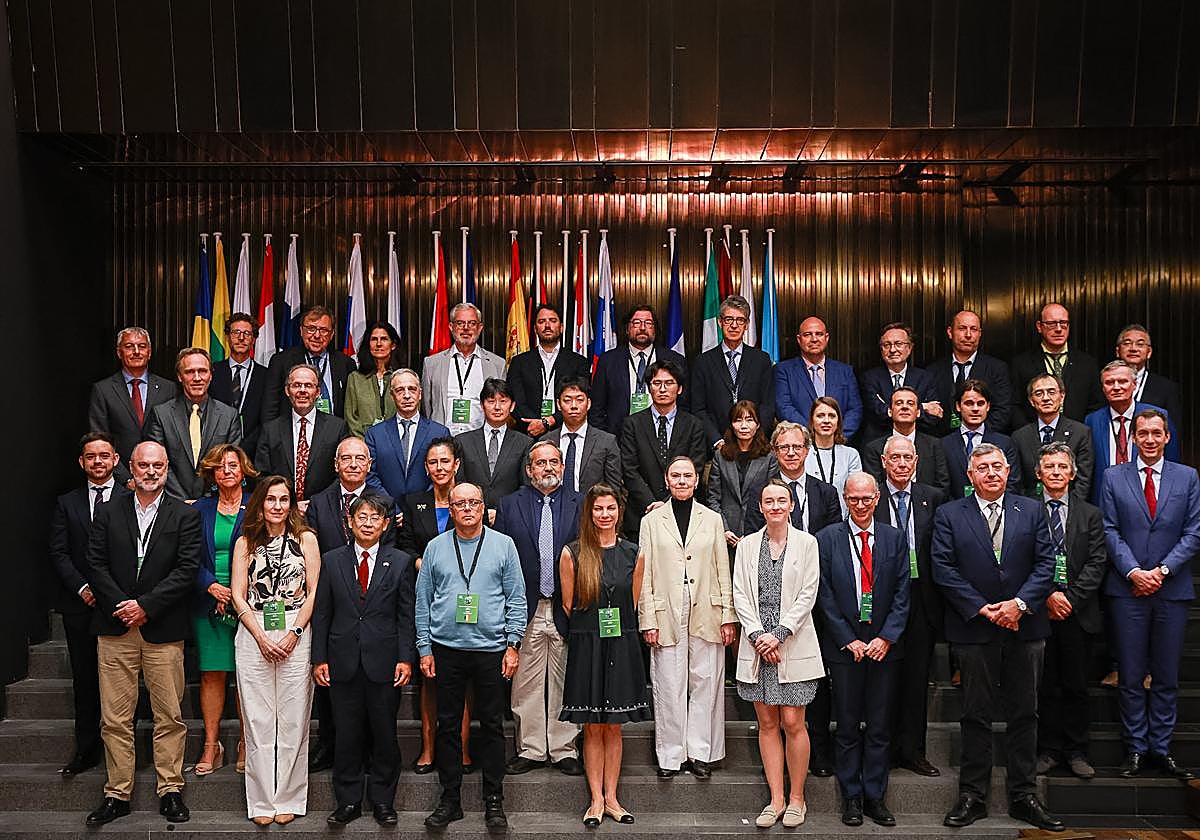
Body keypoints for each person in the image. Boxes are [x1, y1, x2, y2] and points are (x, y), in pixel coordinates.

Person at [932, 443, 1062, 831]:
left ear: (1008, 472)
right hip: (974, 627)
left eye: (997, 467)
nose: (990, 473)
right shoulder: (949, 514)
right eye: (982, 468)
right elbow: (942, 567)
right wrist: (984, 608)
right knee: (975, 714)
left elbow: (1047, 563)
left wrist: (1019, 605)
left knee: (1026, 713)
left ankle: (1024, 795)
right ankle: (973, 796)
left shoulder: (1034, 510)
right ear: (970, 476)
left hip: (1026, 627)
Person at [84, 441, 200, 827]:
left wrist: (146, 606)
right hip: (115, 628)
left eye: (158, 465)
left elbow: (186, 571)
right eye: (144, 465)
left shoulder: (184, 516)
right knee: (115, 718)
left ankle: (170, 790)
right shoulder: (108, 511)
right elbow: (95, 563)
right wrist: (123, 605)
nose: (151, 471)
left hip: (162, 629)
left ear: (168, 469)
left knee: (169, 715)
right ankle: (117, 794)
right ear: (129, 468)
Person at [415, 483, 527, 831]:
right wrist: (424, 648)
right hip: (446, 648)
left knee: (492, 726)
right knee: (448, 726)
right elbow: (423, 601)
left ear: (483, 508)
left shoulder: (503, 545)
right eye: (459, 503)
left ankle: (494, 799)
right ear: (450, 509)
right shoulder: (435, 547)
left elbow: (517, 597)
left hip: (491, 649)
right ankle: (450, 799)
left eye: (473, 503)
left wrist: (513, 644)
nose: (467, 508)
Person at [1101, 408, 1200, 781]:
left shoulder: (1187, 477)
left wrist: (1161, 571)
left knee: (1166, 674)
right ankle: (1136, 749)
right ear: (1134, 438)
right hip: (1127, 589)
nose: (1150, 439)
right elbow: (1110, 530)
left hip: (1171, 589)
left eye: (1156, 433)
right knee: (1129, 675)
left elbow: (1194, 531)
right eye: (1143, 433)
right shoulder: (1114, 477)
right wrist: (1134, 572)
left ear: (1167, 437)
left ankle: (1161, 747)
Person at [742, 421, 842, 776]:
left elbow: (831, 544)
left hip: (816, 600)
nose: (791, 452)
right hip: (765, 622)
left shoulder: (825, 492)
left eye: (797, 447)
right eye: (783, 447)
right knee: (772, 718)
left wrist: (785, 627)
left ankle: (817, 757)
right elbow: (744, 578)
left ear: (808, 449)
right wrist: (761, 634)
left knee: (809, 693)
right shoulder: (760, 493)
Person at [313, 493, 415, 826]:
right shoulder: (332, 561)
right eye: (362, 516)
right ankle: (348, 801)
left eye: (375, 517)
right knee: (346, 735)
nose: (368, 522)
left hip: (384, 662)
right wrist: (319, 659)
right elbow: (323, 613)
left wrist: (405, 658)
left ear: (386, 525)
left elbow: (405, 616)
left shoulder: (399, 561)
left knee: (385, 735)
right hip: (342, 661)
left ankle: (384, 801)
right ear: (350, 523)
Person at [816, 472, 909, 827]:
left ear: (877, 498)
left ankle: (875, 796)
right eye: (853, 499)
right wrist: (846, 638)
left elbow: (903, 593)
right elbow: (823, 595)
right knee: (848, 724)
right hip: (846, 648)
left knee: (881, 725)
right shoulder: (827, 539)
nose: (860, 505)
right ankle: (851, 797)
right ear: (844, 498)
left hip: (884, 646)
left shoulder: (895, 539)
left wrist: (886, 637)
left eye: (866, 498)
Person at [229, 475, 321, 825]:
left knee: (295, 717)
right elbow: (238, 593)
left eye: (284, 499)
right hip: (254, 630)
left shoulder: (306, 538)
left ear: (291, 504)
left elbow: (314, 590)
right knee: (257, 719)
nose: (278, 506)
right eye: (270, 499)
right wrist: (261, 636)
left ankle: (290, 798)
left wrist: (294, 632)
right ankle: (262, 802)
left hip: (296, 628)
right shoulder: (245, 541)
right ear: (260, 504)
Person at [732, 479, 822, 829]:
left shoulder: (807, 543)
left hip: (792, 643)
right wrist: (757, 635)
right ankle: (776, 799)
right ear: (760, 507)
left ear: (791, 505)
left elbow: (808, 593)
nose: (775, 506)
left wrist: (779, 634)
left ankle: (798, 798)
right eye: (768, 501)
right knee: (767, 723)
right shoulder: (747, 546)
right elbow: (740, 593)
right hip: (758, 646)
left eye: (781, 500)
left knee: (792, 722)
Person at [637, 455, 735, 778]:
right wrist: (647, 618)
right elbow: (645, 573)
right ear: (666, 480)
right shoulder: (651, 521)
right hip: (667, 609)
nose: (681, 481)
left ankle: (701, 752)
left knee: (707, 680)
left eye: (687, 476)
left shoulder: (712, 519)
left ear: (696, 481)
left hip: (707, 607)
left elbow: (723, 568)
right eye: (675, 475)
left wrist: (728, 616)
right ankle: (670, 754)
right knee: (668, 682)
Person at [559, 484, 650, 825]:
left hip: (622, 642)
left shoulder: (634, 553)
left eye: (610, 508)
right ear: (590, 513)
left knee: (614, 727)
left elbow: (635, 600)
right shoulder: (573, 553)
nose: (605, 514)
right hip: (587, 642)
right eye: (598, 509)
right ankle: (595, 799)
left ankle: (612, 797)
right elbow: (569, 604)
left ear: (618, 512)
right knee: (593, 726)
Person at [494, 441, 584, 775]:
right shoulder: (509, 505)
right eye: (540, 463)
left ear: (562, 467)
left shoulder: (580, 503)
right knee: (527, 682)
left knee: (565, 679)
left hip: (566, 606)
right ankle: (531, 747)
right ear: (529, 469)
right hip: (525, 607)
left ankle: (564, 748)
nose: (548, 468)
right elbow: (501, 558)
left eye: (554, 462)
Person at [48, 432, 130, 777]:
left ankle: (125, 752)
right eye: (91, 457)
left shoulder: (131, 498)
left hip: (120, 604)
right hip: (81, 604)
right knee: (84, 679)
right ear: (82, 462)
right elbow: (59, 551)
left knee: (125, 682)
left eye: (104, 455)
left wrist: (114, 592)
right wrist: (83, 587)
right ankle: (86, 750)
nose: (98, 462)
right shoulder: (67, 503)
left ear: (116, 460)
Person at [303, 435, 385, 772]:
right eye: (346, 459)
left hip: (371, 602)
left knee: (367, 681)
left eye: (359, 459)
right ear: (335, 465)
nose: (352, 464)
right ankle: (328, 743)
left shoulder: (384, 503)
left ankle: (365, 747)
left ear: (369, 465)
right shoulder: (318, 504)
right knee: (329, 680)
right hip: (331, 598)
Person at [397, 437, 475, 776]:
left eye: (445, 461)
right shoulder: (414, 504)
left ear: (456, 464)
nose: (440, 468)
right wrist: (425, 563)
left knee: (466, 677)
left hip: (469, 599)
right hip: (428, 597)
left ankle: (464, 748)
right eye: (433, 462)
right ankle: (429, 748)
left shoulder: (471, 500)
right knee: (431, 677)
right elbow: (405, 548)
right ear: (426, 468)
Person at [1033, 443, 1106, 780]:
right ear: (1039, 473)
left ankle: (1077, 751)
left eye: (1063, 467)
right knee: (1044, 685)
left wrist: (1070, 598)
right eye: (1050, 467)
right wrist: (1048, 594)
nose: (1057, 472)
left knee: (1076, 686)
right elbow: (1023, 557)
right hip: (1039, 612)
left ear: (1073, 473)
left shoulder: (1090, 513)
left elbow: (1097, 562)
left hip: (1078, 613)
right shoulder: (1027, 510)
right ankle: (1048, 749)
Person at [874, 435, 946, 777]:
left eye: (907, 457)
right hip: (884, 599)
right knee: (884, 678)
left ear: (915, 461)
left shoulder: (931, 498)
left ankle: (913, 750)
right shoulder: (872, 498)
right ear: (884, 463)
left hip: (922, 598)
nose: (901, 463)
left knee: (917, 678)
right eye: (895, 458)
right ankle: (882, 749)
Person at [190, 444, 257, 777]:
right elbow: (187, 555)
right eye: (220, 467)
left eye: (233, 465)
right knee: (212, 673)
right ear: (212, 474)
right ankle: (211, 745)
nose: (227, 471)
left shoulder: (257, 506)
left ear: (244, 469)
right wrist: (210, 586)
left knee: (248, 674)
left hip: (249, 600)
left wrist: (237, 592)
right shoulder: (200, 509)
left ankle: (247, 742)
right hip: (208, 599)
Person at [619, 360, 709, 539]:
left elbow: (695, 467)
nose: (662, 389)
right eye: (656, 383)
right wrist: (653, 503)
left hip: (683, 512)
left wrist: (668, 503)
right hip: (641, 514)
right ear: (649, 387)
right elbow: (629, 470)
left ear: (680, 389)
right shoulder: (632, 424)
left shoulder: (694, 425)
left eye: (669, 383)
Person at [143, 347, 242, 501]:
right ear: (180, 376)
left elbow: (229, 464)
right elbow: (158, 463)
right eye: (189, 372)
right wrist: (181, 500)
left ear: (210, 375)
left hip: (215, 503)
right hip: (172, 503)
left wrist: (205, 501)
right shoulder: (161, 414)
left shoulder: (229, 416)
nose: (197, 378)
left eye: (202, 371)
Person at [88, 327, 178, 486]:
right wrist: (126, 478)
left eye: (142, 346)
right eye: (129, 346)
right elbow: (100, 439)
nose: (136, 351)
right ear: (119, 352)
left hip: (162, 481)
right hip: (119, 481)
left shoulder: (169, 389)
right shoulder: (103, 390)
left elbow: (175, 437)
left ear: (149, 352)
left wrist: (163, 475)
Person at [255, 364, 351, 504]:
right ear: (287, 391)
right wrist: (289, 504)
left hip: (324, 509)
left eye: (308, 385)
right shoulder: (271, 430)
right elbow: (262, 475)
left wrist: (316, 504)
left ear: (318, 392)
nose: (302, 390)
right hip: (282, 511)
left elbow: (342, 474)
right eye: (296, 385)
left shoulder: (337, 428)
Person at [1085, 360, 1180, 502]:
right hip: (1105, 501)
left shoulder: (1158, 416)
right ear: (1103, 388)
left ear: (1134, 385)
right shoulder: (1092, 420)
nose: (1116, 387)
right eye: (1109, 382)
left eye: (1122, 381)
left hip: (1148, 499)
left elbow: (1172, 463)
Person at [689, 294, 777, 446]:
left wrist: (754, 437)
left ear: (747, 324)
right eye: (729, 319)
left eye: (740, 320)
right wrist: (716, 441)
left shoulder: (761, 360)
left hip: (755, 446)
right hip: (716, 447)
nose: (734, 325)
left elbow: (767, 405)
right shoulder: (703, 362)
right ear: (720, 322)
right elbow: (698, 409)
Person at [589, 304, 689, 434]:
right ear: (627, 329)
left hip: (663, 436)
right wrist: (605, 442)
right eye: (636, 323)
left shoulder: (675, 360)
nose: (642, 327)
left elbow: (684, 405)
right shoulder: (608, 361)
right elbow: (597, 408)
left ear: (654, 329)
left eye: (648, 323)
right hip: (618, 439)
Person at [364, 368, 451, 507]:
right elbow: (370, 474)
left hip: (425, 511)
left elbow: (445, 474)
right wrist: (391, 507)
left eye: (412, 389)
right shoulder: (375, 434)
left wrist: (419, 507)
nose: (406, 395)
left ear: (420, 394)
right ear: (392, 396)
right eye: (400, 390)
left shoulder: (439, 432)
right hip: (386, 512)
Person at [1009, 303, 1103, 425]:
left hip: (1078, 437)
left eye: (1063, 323)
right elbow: (1015, 406)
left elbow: (1096, 405)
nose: (1058, 329)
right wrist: (1030, 436)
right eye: (1051, 324)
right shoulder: (1021, 364)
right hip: (1035, 437)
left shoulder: (1087, 363)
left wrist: (1081, 433)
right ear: (1039, 326)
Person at [420, 302, 506, 434]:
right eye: (460, 323)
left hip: (480, 443)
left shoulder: (497, 364)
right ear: (451, 326)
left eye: (472, 323)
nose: (466, 328)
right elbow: (427, 407)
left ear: (480, 327)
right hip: (442, 441)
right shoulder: (432, 364)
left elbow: (501, 406)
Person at [506, 304, 592, 437]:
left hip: (566, 432)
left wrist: (550, 422)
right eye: (541, 321)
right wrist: (536, 424)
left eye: (553, 321)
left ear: (561, 327)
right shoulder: (519, 362)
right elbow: (515, 401)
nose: (547, 325)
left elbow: (582, 400)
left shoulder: (579, 362)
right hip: (527, 433)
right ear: (535, 328)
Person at [706, 400, 777, 561]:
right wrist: (723, 529)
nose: (744, 425)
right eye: (738, 420)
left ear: (758, 424)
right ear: (731, 424)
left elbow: (771, 498)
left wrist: (755, 532)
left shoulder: (769, 457)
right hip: (726, 534)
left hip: (759, 533)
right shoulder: (720, 455)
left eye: (749, 420)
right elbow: (713, 498)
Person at [261, 304, 356, 423]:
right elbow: (270, 408)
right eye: (311, 328)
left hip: (335, 436)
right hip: (292, 435)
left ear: (331, 334)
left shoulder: (346, 363)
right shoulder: (281, 361)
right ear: (301, 331)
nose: (317, 335)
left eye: (324, 330)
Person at [926, 310, 1014, 435]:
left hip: (984, 442)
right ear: (950, 332)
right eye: (962, 328)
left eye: (973, 329)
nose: (968, 335)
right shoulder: (933, 371)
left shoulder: (997, 368)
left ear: (979, 334)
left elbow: (1003, 410)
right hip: (942, 442)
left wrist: (974, 435)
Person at [775, 316, 863, 438]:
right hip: (801, 444)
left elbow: (855, 410)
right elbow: (784, 408)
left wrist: (837, 436)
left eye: (819, 334)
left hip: (838, 444)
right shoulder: (783, 370)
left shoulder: (845, 371)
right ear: (799, 339)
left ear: (826, 338)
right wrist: (812, 435)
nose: (814, 339)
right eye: (807, 334)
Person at [456, 378, 533, 518]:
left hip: (510, 516)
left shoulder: (524, 443)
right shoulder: (463, 441)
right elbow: (459, 483)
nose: (497, 407)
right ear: (482, 405)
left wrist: (504, 512)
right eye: (491, 401)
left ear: (512, 406)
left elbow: (525, 486)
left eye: (503, 401)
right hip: (470, 516)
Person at [1011, 373, 1095, 498]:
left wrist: (1069, 509)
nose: (1046, 398)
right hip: (1030, 509)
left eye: (1051, 392)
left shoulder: (1081, 433)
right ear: (1031, 401)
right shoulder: (1019, 437)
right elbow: (1018, 483)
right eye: (1039, 393)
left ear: (1062, 397)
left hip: (1070, 508)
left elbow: (1083, 481)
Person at [940, 378, 1022, 499]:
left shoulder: (1005, 443)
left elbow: (1012, 484)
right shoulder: (943, 444)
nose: (975, 409)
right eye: (969, 403)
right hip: (954, 512)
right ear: (958, 406)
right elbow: (942, 486)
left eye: (980, 403)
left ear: (988, 406)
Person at [859, 322, 941, 441]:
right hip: (879, 442)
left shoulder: (926, 378)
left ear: (909, 348)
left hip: (918, 442)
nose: (892, 349)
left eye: (898, 344)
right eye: (887, 345)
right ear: (881, 349)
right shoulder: (869, 378)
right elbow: (877, 412)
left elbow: (933, 417)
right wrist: (922, 407)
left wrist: (889, 410)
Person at [860, 386, 950, 492]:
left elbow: (942, 486)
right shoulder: (873, 448)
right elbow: (873, 488)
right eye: (899, 403)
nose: (904, 407)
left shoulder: (934, 445)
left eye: (910, 404)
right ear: (889, 411)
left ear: (918, 412)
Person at [542, 378, 623, 495]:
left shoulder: (607, 442)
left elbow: (613, 488)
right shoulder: (546, 441)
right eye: (567, 400)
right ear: (558, 404)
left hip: (591, 510)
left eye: (580, 400)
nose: (574, 406)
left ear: (588, 403)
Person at [210, 313, 268, 457]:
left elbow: (268, 418)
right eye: (236, 332)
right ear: (227, 336)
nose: (241, 338)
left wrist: (247, 446)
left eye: (247, 334)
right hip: (217, 450)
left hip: (254, 452)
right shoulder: (212, 372)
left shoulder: (266, 375)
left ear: (254, 339)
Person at [1115, 323, 1182, 427]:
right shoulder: (1106, 384)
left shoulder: (1167, 388)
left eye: (1140, 344)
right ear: (1118, 351)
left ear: (1149, 352)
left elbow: (1172, 429)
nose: (1133, 348)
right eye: (1127, 343)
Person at [344, 321, 403, 437]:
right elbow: (350, 418)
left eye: (384, 339)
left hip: (396, 444)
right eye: (374, 339)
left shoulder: (402, 377)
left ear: (393, 345)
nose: (379, 344)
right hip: (363, 447)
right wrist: (365, 445)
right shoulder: (355, 378)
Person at [806, 396, 862, 514]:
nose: (826, 420)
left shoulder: (851, 455)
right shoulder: (803, 453)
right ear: (812, 421)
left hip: (842, 520)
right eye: (820, 416)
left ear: (838, 422)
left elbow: (855, 492)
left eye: (831, 416)